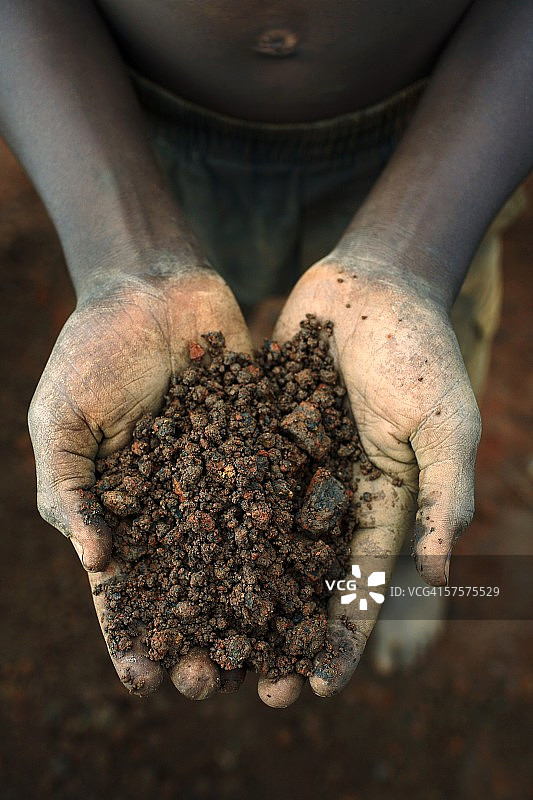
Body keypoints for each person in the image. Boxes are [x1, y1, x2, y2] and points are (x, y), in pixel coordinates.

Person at [0, 0, 531, 708]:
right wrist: (121, 261)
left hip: (457, 133)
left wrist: (411, 265)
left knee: (409, 441)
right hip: (127, 139)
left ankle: (392, 570)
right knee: (244, 364)